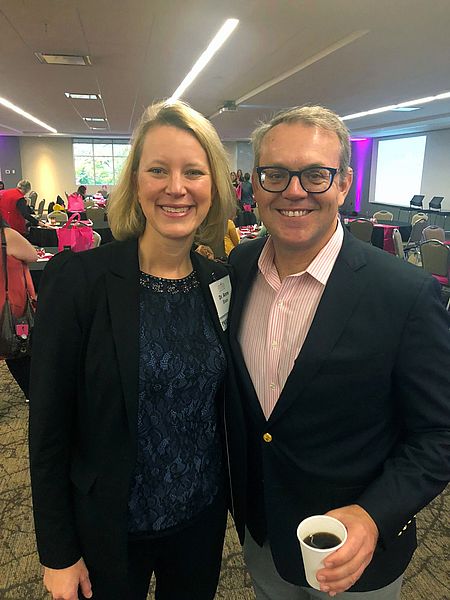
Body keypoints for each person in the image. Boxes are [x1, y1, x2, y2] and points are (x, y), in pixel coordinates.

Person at [228, 105, 450, 599]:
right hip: (262, 530)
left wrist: (374, 516)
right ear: (256, 185)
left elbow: (439, 434)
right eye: (275, 174)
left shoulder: (404, 293)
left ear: (344, 183)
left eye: (316, 174)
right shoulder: (238, 268)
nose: (293, 191)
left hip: (357, 551)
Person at [29, 99, 246, 600]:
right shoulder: (82, 281)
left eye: (193, 171)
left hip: (199, 519)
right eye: (158, 170)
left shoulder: (220, 282)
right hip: (108, 526)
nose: (176, 187)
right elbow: (48, 428)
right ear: (135, 182)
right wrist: (57, 551)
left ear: (213, 186)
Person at [0, 216, 38, 400]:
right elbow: (33, 255)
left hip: (7, 306)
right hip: (12, 308)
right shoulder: (6, 236)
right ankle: (33, 393)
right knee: (18, 350)